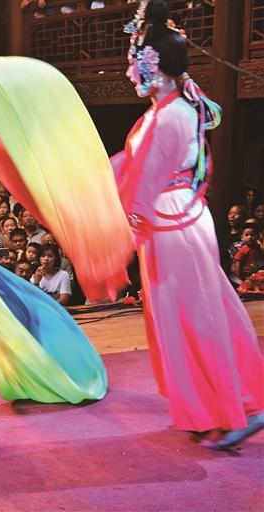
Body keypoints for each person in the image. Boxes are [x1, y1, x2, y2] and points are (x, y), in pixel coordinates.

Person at [114, 0, 263, 448]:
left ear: (153, 65)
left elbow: (147, 178)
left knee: (198, 319)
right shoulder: (166, 110)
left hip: (171, 222)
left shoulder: (171, 116)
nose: (130, 72)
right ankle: (220, 404)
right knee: (196, 315)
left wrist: (123, 225)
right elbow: (135, 168)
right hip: (172, 219)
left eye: (134, 62)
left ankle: (233, 409)